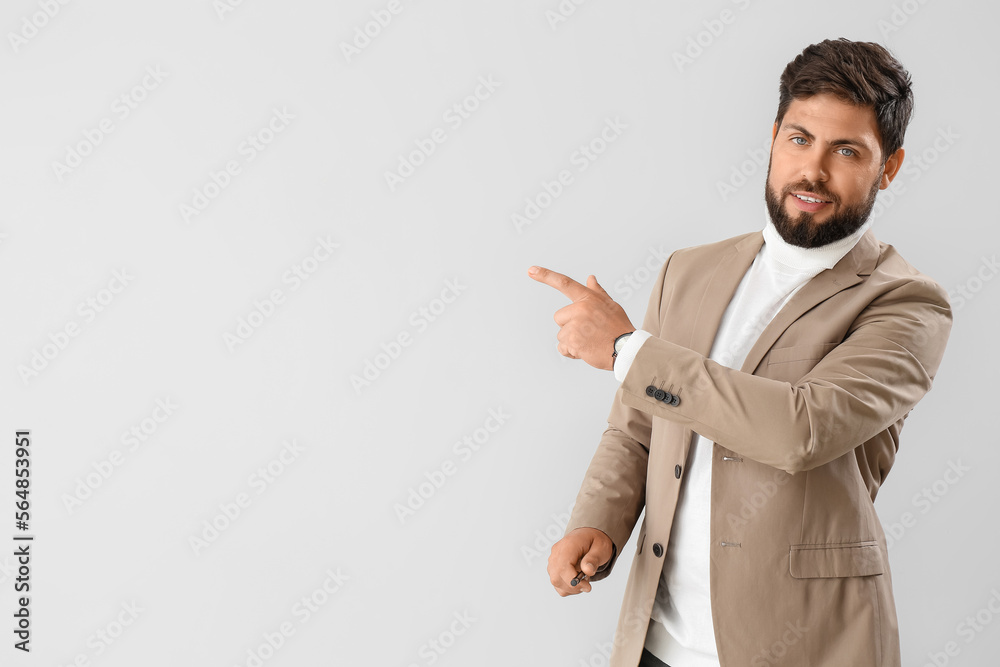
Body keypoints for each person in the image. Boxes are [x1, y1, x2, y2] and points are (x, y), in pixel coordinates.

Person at [528, 38, 952, 667]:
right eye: (800, 139)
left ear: (888, 168)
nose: (813, 170)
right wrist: (599, 521)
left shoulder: (907, 304)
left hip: (806, 647)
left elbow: (799, 429)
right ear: (775, 136)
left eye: (847, 151)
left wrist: (624, 349)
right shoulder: (688, 271)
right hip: (657, 640)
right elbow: (639, 424)